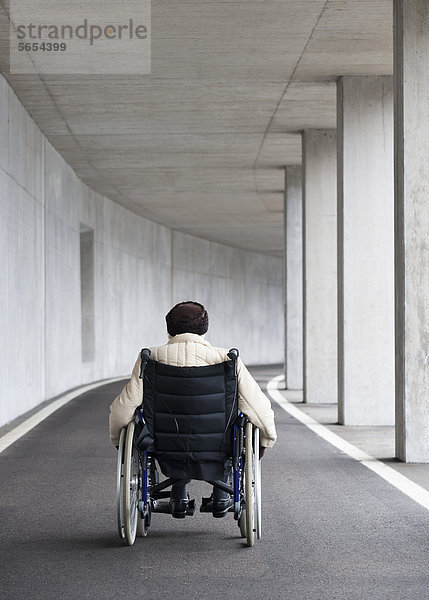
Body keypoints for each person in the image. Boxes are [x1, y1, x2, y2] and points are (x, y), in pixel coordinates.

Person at [109, 301, 277, 518]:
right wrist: (266, 440)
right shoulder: (227, 359)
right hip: (218, 446)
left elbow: (124, 409)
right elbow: (257, 407)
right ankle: (222, 495)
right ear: (205, 327)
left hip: (165, 447)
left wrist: (117, 440)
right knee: (232, 430)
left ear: (169, 329)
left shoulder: (150, 358)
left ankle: (178, 494)